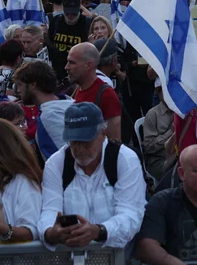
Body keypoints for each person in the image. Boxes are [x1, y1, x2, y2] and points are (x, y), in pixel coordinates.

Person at [38, 103, 146, 249]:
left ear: (103, 134)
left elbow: (131, 213)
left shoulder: (125, 159)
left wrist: (99, 231)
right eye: (74, 142)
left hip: (118, 256)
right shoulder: (56, 163)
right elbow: (50, 209)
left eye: (86, 141)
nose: (80, 148)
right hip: (70, 258)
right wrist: (50, 233)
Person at [14, 60, 73, 160]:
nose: (18, 90)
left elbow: (66, 159)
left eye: (20, 85)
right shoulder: (69, 103)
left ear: (33, 85)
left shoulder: (49, 117)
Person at [66, 43, 121, 141]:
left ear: (89, 65)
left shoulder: (106, 95)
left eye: (72, 62)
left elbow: (115, 141)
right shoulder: (78, 90)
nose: (66, 67)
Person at [46, 0, 92, 81]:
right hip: (56, 74)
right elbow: (50, 45)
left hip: (79, 76)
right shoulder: (56, 21)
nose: (70, 16)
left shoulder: (87, 23)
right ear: (63, 7)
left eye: (74, 13)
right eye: (67, 13)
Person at [142, 90, 174, 182]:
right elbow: (148, 147)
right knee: (177, 173)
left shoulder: (181, 112)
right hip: (159, 160)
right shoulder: (153, 114)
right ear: (160, 93)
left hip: (177, 157)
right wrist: (171, 132)